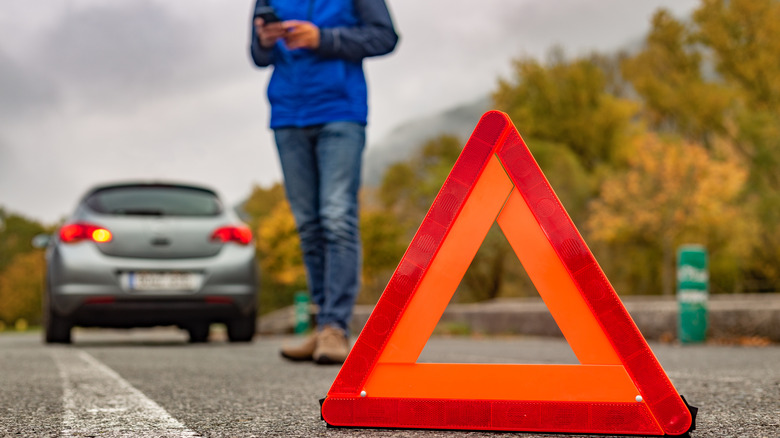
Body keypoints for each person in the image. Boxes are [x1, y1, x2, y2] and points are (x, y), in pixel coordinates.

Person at [249, 0, 398, 364]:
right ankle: (320, 324)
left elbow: (385, 37)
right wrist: (266, 39)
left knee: (336, 217)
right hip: (287, 115)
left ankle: (335, 328)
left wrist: (324, 38)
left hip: (340, 113)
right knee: (308, 224)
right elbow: (257, 54)